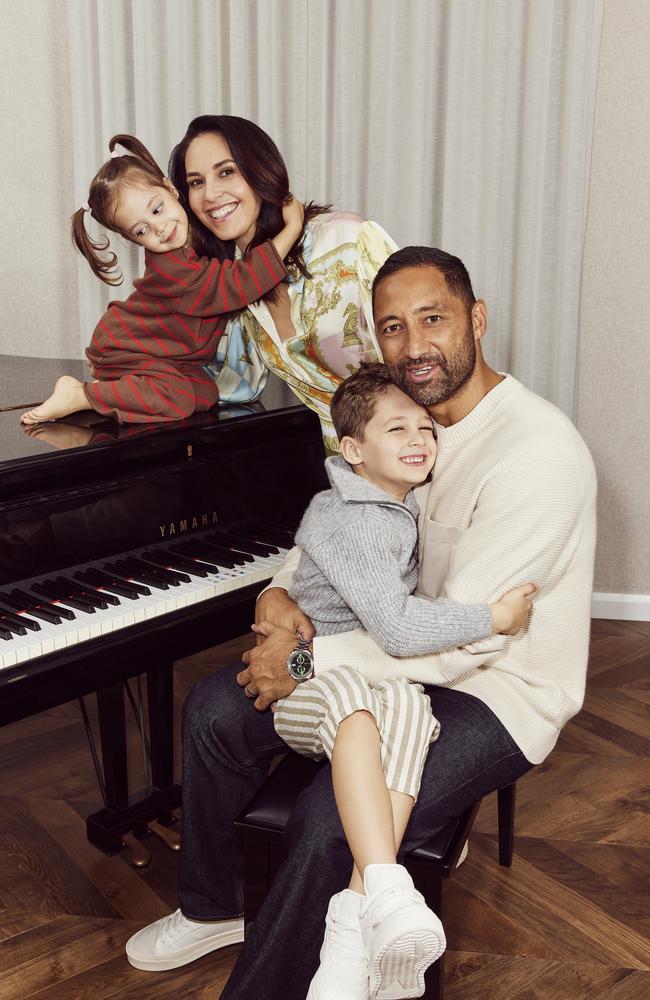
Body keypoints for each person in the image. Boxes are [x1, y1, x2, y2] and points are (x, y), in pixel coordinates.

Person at [126, 247, 596, 1000]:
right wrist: (277, 604)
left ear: (477, 319)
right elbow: (343, 525)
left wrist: (304, 665)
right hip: (387, 651)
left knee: (329, 818)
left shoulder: (535, 453)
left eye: (433, 319)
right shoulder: (401, 426)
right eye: (393, 328)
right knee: (217, 708)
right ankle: (214, 906)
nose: (413, 346)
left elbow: (456, 636)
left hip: (492, 683)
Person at [271, 361, 535, 998]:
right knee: (361, 714)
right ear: (354, 450)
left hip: (358, 667)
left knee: (413, 715)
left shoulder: (388, 503)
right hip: (316, 679)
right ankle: (386, 886)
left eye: (426, 426)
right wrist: (493, 617)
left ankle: (350, 930)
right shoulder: (357, 519)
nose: (420, 439)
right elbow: (394, 629)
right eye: (398, 429)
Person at [21, 134, 303, 426]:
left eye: (157, 209)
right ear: (131, 239)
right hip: (127, 347)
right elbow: (238, 283)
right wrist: (291, 228)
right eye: (141, 231)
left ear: (170, 188)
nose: (160, 228)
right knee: (178, 398)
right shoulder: (173, 267)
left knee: (204, 394)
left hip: (164, 352)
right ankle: (80, 394)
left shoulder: (197, 234)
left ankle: (105, 392)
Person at [168, 115, 399, 450]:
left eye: (226, 171)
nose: (211, 195)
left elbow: (422, 351)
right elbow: (234, 386)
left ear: (260, 169)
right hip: (343, 473)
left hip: (419, 456)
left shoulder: (347, 240)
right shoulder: (236, 288)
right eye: (196, 182)